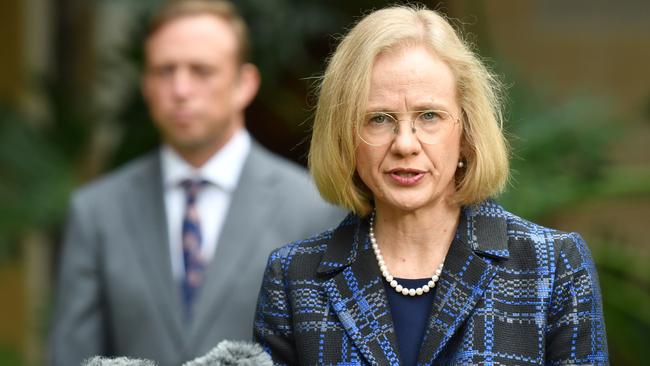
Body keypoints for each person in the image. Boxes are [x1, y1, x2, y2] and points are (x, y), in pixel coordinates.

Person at [253, 5, 609, 365]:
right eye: (378, 118)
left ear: (466, 132)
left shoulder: (552, 265)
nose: (405, 144)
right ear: (345, 137)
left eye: (429, 116)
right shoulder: (294, 277)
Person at [48, 1, 342, 365]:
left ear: (245, 84)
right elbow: (70, 357)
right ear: (145, 86)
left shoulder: (314, 208)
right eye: (164, 71)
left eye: (201, 71)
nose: (181, 89)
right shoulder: (96, 212)